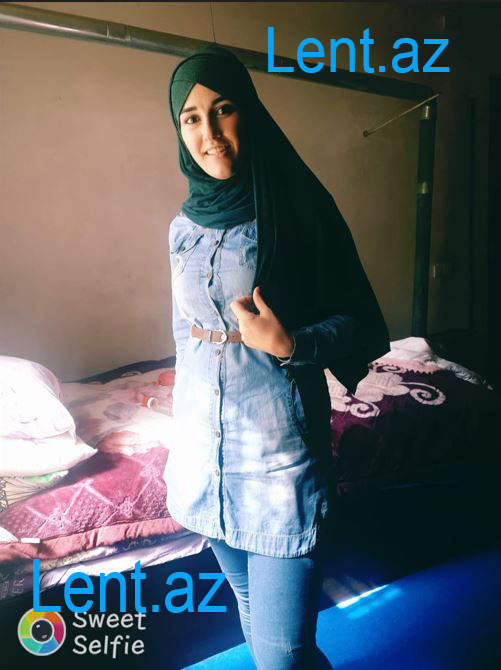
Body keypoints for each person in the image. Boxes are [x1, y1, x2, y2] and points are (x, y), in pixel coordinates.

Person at [164, 44, 389, 670]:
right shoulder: (182, 226)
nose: (209, 133)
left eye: (223, 109)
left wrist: (293, 344)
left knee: (282, 652)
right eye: (191, 118)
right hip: (205, 454)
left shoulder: (296, 211)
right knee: (251, 609)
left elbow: (359, 321)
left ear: (250, 112)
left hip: (277, 456)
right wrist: (181, 414)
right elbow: (184, 333)